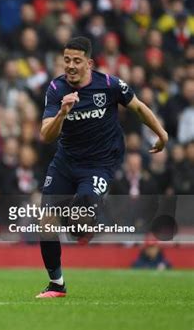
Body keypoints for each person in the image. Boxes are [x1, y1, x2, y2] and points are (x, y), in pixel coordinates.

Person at [37, 37, 168, 298]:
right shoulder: (55, 88)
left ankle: (86, 223)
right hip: (66, 162)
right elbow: (45, 135)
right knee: (46, 221)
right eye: (66, 60)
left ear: (89, 63)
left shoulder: (109, 84)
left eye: (76, 60)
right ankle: (57, 284)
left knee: (80, 220)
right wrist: (63, 113)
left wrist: (161, 133)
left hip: (99, 164)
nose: (70, 66)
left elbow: (139, 108)